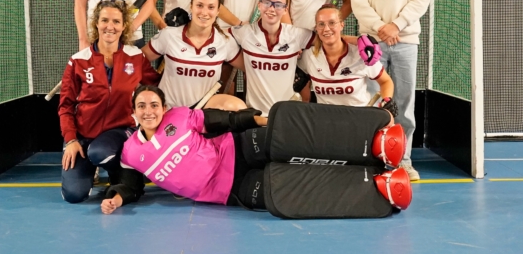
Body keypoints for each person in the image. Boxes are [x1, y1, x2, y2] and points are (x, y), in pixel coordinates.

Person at [100, 85, 411, 218]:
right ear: (134, 114)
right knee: (286, 190)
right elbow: (130, 184)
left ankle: (375, 144)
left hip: (236, 149)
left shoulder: (179, 117)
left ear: (163, 107)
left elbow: (221, 119)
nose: (149, 110)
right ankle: (379, 186)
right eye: (142, 106)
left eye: (154, 104)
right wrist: (116, 197)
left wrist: (264, 121)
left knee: (287, 137)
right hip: (229, 190)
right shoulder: (131, 153)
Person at [348, 0, 432, 181]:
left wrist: (396, 24)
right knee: (372, 101)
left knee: (404, 103)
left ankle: (403, 160)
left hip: (406, 39)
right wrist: (379, 27)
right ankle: (373, 159)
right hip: (371, 40)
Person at [58, 0, 160, 203]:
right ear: (96, 23)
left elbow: (156, 85)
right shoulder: (78, 60)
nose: (110, 26)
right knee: (74, 195)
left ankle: (123, 174)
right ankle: (93, 170)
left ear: (124, 26)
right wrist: (71, 140)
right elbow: (66, 106)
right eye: (104, 20)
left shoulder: (136, 57)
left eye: (116, 21)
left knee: (100, 152)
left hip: (120, 131)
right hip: (83, 136)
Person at [141, 0, 246, 110]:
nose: (204, 12)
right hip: (169, 113)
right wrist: (152, 84)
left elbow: (251, 68)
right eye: (199, 5)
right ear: (191, 7)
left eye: (211, 7)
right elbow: (137, 60)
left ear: (218, 11)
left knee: (238, 107)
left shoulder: (225, 41)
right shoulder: (169, 35)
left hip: (202, 117)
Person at [229, 0, 315, 115]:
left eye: (278, 5)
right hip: (255, 116)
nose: (271, 8)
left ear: (285, 10)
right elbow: (216, 36)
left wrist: (356, 41)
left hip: (286, 115)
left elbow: (328, 40)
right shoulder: (245, 33)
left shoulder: (296, 35)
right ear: (259, 5)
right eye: (267, 2)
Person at [298, 4, 395, 108]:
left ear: (341, 25)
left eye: (332, 23)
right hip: (326, 119)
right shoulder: (309, 56)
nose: (326, 29)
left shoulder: (361, 54)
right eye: (321, 24)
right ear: (316, 28)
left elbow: (386, 81)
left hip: (358, 117)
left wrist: (386, 100)